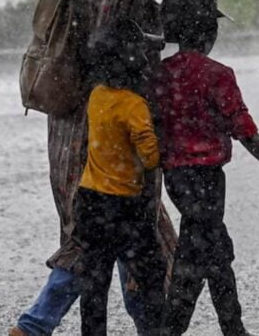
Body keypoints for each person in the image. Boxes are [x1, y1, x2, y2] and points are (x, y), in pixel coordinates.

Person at [10, 0, 176, 336]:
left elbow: (93, 41)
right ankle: (37, 325)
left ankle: (45, 325)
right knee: (134, 229)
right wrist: (161, 28)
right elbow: (121, 47)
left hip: (68, 124)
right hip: (112, 122)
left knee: (91, 228)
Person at [153, 0, 259, 336]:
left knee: (207, 247)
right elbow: (243, 128)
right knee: (203, 251)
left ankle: (226, 329)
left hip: (176, 179)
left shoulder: (159, 75)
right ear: (209, 31)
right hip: (208, 178)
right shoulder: (217, 75)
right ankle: (196, 329)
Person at [73, 20, 167, 336]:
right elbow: (151, 158)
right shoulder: (134, 106)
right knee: (151, 273)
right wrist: (158, 131)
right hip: (126, 207)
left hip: (89, 202)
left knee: (95, 284)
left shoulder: (97, 96)